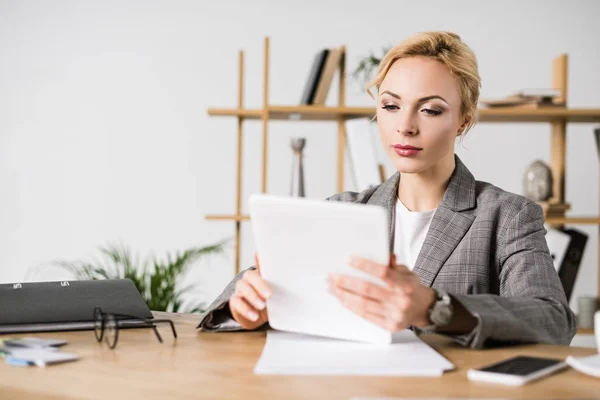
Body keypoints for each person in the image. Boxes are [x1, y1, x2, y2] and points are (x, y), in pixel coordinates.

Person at [197, 31, 576, 349]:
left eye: (430, 110)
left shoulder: (507, 216)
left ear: (463, 120)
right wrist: (245, 307)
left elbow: (554, 321)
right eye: (391, 106)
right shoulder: (341, 210)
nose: (405, 127)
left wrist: (435, 307)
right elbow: (224, 307)